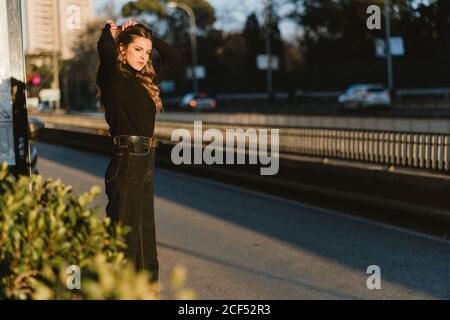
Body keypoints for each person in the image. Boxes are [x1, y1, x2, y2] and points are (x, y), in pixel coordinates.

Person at [96, 19, 182, 283]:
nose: (144, 57)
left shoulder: (146, 79)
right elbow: (105, 50)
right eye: (137, 50)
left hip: (146, 159)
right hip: (127, 158)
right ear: (122, 49)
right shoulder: (112, 77)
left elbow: (174, 57)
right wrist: (109, 33)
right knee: (124, 238)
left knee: (146, 238)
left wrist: (150, 38)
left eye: (147, 52)